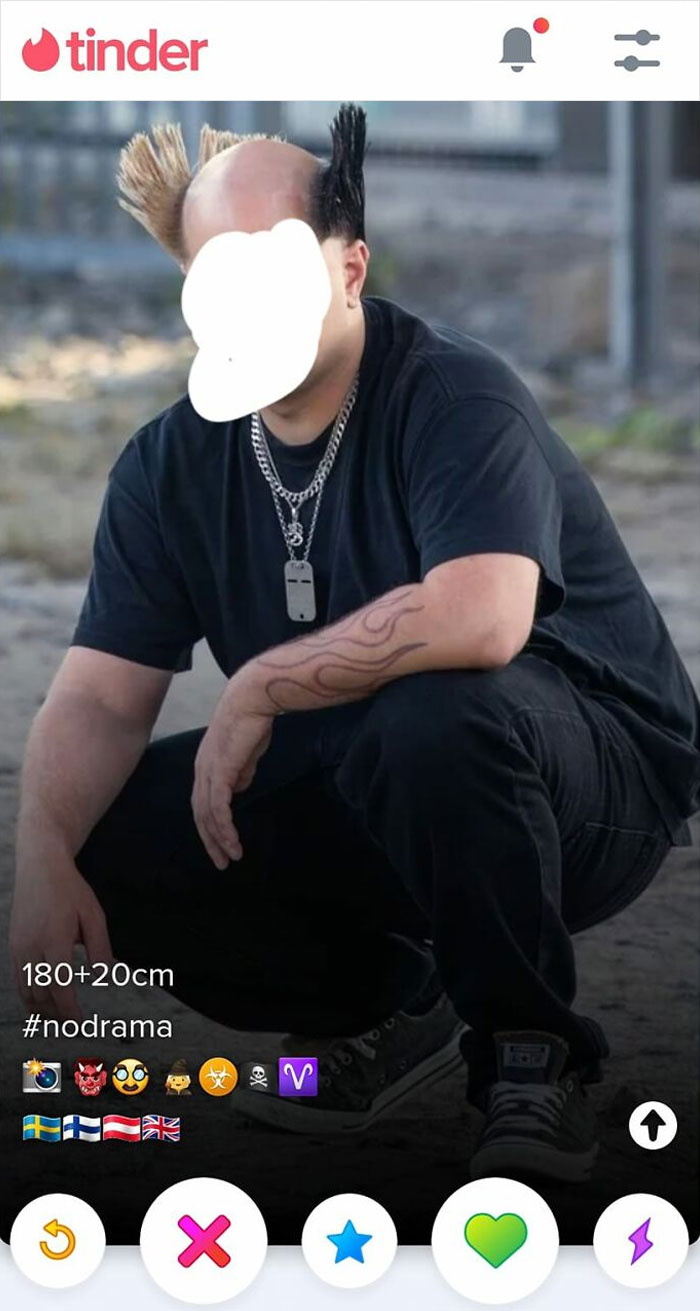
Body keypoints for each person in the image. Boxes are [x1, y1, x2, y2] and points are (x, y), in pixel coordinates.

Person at [10, 105, 700, 1184]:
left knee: (432, 709)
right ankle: (391, 1005)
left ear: (348, 266)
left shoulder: (454, 394)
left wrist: (260, 690)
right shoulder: (169, 465)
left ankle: (534, 1062)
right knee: (115, 845)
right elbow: (101, 696)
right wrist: (42, 858)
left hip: (590, 782)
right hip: (379, 775)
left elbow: (483, 619)